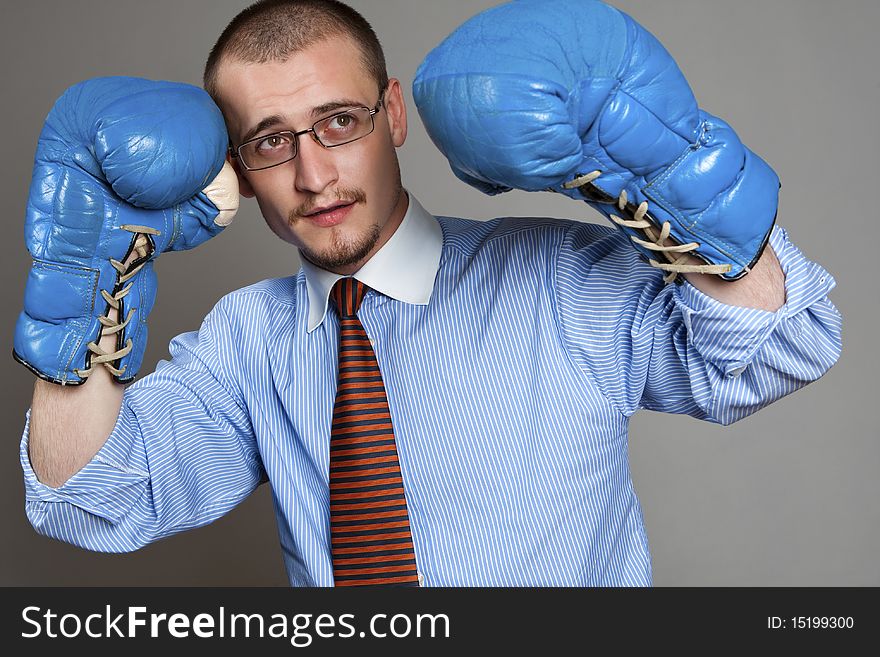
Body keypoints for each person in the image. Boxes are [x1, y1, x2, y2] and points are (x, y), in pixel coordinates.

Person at [18, 0, 842, 586]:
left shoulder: (553, 275)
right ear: (234, 167)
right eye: (271, 141)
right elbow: (93, 501)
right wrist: (82, 276)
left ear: (394, 114)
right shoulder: (246, 340)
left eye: (339, 121)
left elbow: (776, 351)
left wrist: (665, 169)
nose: (314, 175)